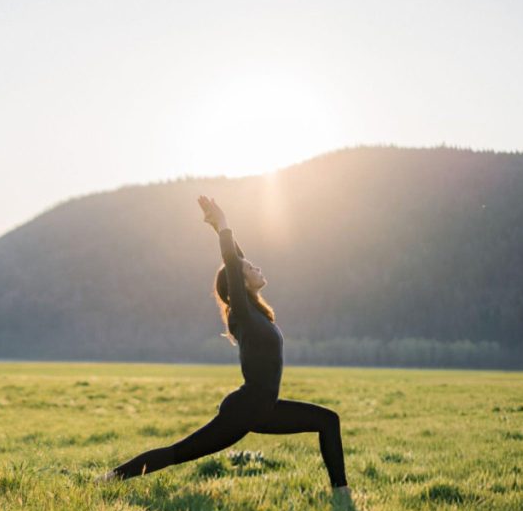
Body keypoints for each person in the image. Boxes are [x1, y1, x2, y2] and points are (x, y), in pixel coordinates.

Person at [99, 195, 350, 495]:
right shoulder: (242, 313)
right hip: (244, 409)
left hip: (264, 407)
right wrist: (224, 224)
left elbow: (236, 260)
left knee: (327, 420)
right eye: (251, 269)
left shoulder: (255, 312)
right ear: (241, 284)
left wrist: (220, 229)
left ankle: (341, 495)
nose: (257, 268)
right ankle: (109, 479)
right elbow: (233, 263)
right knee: (179, 453)